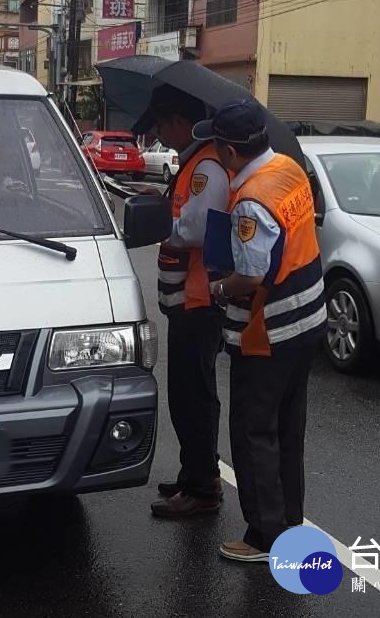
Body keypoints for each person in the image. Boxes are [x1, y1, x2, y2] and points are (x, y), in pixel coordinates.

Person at [192, 101, 326, 562]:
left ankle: (264, 537)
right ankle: (288, 520)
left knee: (254, 431)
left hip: (270, 331)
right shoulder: (288, 168)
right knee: (289, 428)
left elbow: (249, 276)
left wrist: (217, 289)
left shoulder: (252, 199)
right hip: (309, 319)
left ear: (229, 152)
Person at [132, 85, 231, 518]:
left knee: (194, 395)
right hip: (188, 299)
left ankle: (203, 488)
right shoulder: (195, 161)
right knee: (189, 393)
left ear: (178, 123)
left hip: (200, 299)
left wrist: (162, 221)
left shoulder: (206, 164)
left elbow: (196, 229)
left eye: (161, 126)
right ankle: (197, 474)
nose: (159, 135)